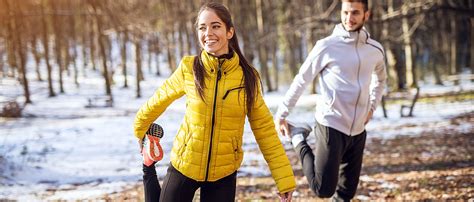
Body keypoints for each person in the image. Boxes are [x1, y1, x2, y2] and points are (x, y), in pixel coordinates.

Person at [134, 2, 296, 202]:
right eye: (202, 27)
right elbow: (158, 100)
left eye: (215, 26)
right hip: (186, 163)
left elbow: (265, 131)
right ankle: (147, 165)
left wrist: (284, 179)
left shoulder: (247, 77)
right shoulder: (189, 68)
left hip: (224, 171)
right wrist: (140, 131)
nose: (208, 32)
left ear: (229, 32)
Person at [275, 0, 387, 201]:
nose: (349, 18)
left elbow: (381, 79)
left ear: (366, 15)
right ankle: (299, 137)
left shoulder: (375, 50)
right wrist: (282, 113)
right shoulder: (326, 46)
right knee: (322, 189)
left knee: (346, 193)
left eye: (355, 13)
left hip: (358, 130)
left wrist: (371, 107)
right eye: (345, 12)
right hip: (331, 124)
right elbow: (302, 79)